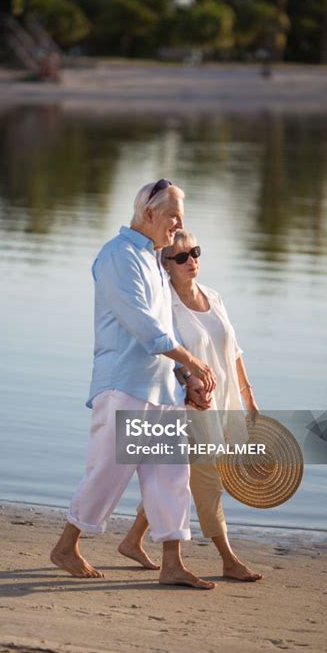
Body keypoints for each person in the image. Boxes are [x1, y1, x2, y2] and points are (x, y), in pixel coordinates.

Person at [50, 180, 217, 589]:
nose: (179, 225)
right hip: (123, 384)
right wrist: (193, 360)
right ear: (149, 214)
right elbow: (143, 326)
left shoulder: (155, 261)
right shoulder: (117, 256)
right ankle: (66, 547)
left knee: (170, 475)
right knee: (108, 471)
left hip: (161, 389)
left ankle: (172, 563)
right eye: (174, 215)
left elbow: (164, 331)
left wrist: (185, 378)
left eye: (181, 216)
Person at [119, 230, 263, 582]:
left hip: (223, 400)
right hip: (187, 406)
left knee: (176, 478)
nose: (191, 261)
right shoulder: (164, 306)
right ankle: (228, 559)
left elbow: (235, 350)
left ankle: (133, 539)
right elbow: (162, 356)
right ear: (164, 265)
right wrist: (188, 384)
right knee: (207, 478)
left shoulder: (212, 296)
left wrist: (247, 395)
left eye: (195, 252)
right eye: (181, 256)